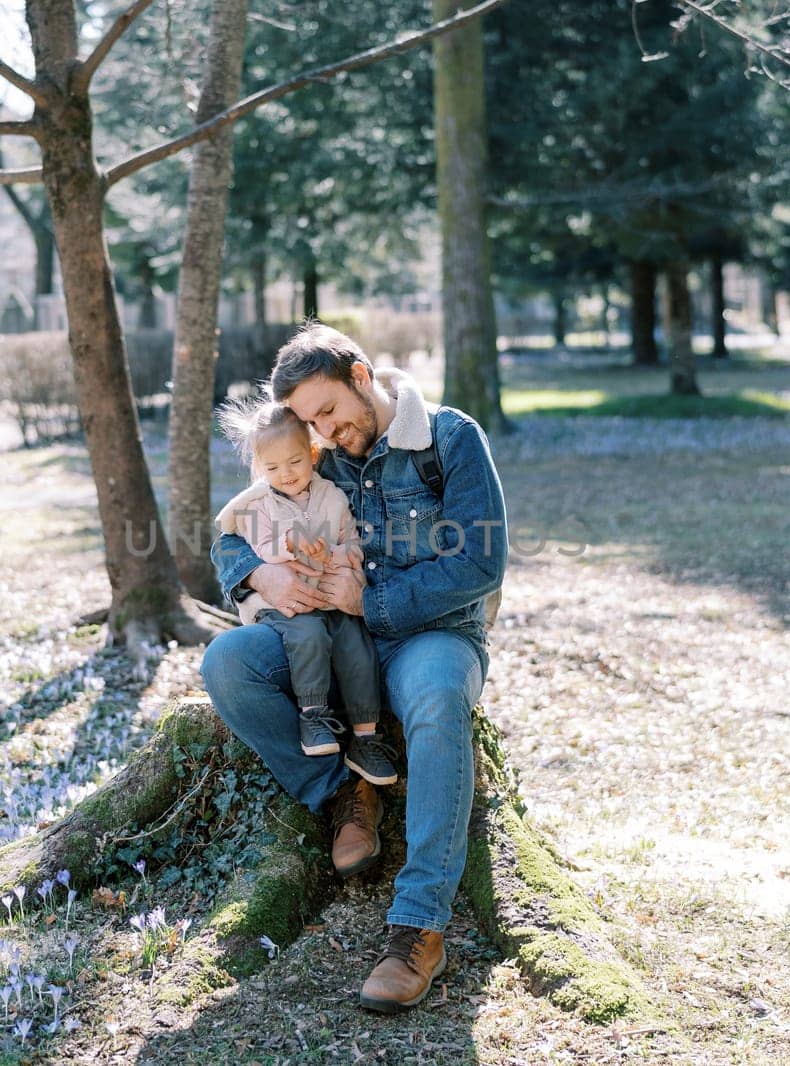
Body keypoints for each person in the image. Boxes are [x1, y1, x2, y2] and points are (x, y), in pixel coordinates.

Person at [201, 323, 507, 1014]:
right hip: (329, 635)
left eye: (331, 413)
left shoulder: (451, 440)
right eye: (310, 423)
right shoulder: (318, 452)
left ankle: (420, 927)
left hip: (430, 635)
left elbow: (481, 564)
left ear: (362, 378)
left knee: (433, 700)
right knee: (227, 664)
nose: (325, 435)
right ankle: (346, 791)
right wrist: (258, 578)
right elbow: (237, 526)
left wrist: (373, 599)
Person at [213, 399, 397, 784]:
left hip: (331, 597)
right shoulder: (255, 503)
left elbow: (353, 541)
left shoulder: (332, 495)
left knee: (355, 644)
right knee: (309, 634)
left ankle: (366, 737)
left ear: (312, 453)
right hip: (285, 605)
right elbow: (260, 547)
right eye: (273, 467)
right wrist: (291, 542)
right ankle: (313, 717)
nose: (286, 474)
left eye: (295, 462)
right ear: (259, 468)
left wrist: (343, 556)